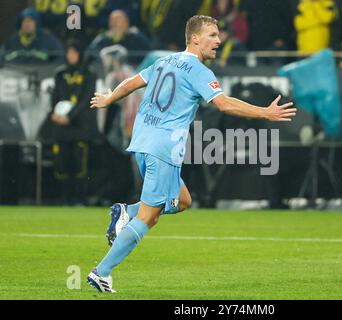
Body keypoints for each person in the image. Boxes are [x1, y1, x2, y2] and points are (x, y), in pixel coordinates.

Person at [86, 15, 297, 293]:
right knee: (149, 216)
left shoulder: (163, 61)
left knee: (183, 200)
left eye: (218, 35)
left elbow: (132, 82)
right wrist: (265, 113)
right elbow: (223, 104)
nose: (218, 41)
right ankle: (102, 272)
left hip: (143, 142)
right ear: (195, 38)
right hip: (163, 148)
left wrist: (109, 98)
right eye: (212, 35)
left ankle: (125, 211)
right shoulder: (199, 71)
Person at [47, 40, 100, 205]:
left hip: (80, 127)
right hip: (61, 128)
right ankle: (64, 198)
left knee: (79, 165)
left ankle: (80, 199)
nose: (71, 56)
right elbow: (54, 96)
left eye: (74, 53)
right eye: (68, 53)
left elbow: (86, 100)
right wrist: (54, 114)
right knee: (62, 163)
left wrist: (70, 116)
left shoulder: (89, 74)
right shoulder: (60, 73)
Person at [86, 10, 153, 65]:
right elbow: (90, 54)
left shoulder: (137, 37)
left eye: (118, 21)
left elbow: (147, 55)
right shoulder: (103, 38)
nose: (115, 24)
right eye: (112, 21)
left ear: (126, 22)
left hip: (134, 73)